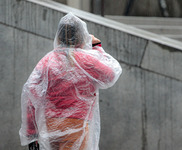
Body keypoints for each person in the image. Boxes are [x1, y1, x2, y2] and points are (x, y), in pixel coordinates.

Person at [19, 12, 122, 150]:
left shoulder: (47, 61)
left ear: (59, 36)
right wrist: (97, 47)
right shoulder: (87, 61)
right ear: (83, 37)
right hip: (77, 125)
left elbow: (31, 96)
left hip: (51, 125)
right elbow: (110, 75)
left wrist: (32, 134)